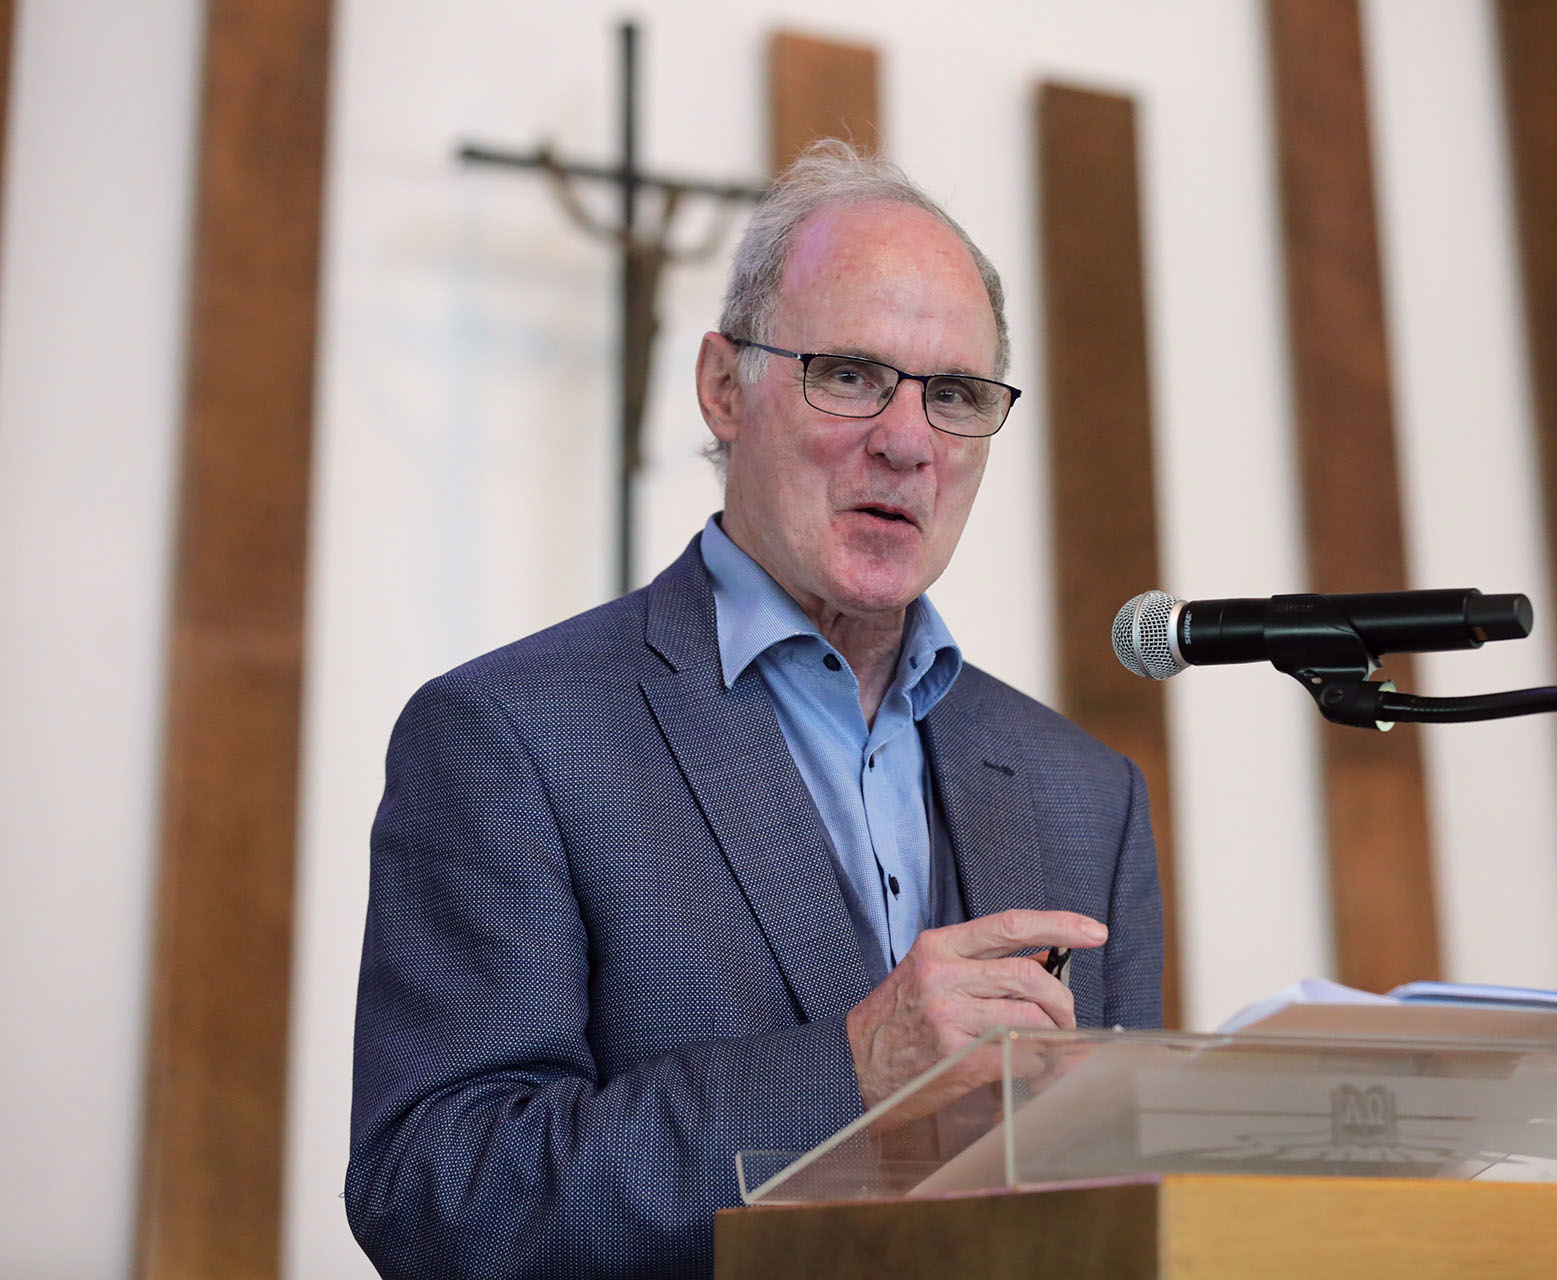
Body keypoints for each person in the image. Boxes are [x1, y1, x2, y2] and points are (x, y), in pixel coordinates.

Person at [345, 141, 1163, 1279]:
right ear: (725, 387)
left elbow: (1118, 1206)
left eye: (958, 395)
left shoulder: (1088, 792)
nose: (910, 440)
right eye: (851, 374)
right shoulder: (510, 736)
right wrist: (852, 1067)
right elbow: (440, 1191)